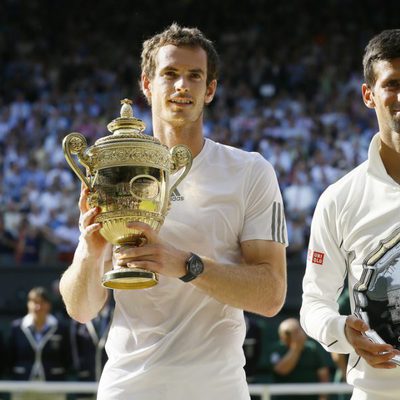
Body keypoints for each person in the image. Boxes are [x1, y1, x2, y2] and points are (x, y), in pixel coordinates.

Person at [59, 23, 287, 400]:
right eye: (169, 74)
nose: (182, 85)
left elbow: (272, 295)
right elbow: (81, 309)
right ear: (147, 85)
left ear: (209, 89)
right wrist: (91, 248)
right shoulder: (113, 174)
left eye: (194, 76)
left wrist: (184, 264)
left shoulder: (250, 171)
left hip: (217, 390)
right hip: (128, 387)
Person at [300, 29, 400, 399]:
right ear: (369, 95)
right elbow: (313, 302)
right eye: (393, 83)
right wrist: (343, 331)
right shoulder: (340, 199)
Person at [8, 286, 71, 400]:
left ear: (49, 305)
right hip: (22, 386)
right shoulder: (16, 328)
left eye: (42, 302)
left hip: (54, 386)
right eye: (34, 302)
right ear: (28, 304)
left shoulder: (61, 328)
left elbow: (66, 357)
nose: (38, 307)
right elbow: (10, 357)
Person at [268, 318, 330, 400]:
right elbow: (281, 370)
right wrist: (296, 348)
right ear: (282, 336)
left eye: (298, 330)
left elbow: (323, 373)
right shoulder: (277, 349)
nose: (298, 334)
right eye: (291, 333)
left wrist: (323, 397)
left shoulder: (311, 348)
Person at [70, 297, 113, 400]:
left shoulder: (117, 316)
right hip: (85, 380)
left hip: (110, 380)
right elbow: (73, 350)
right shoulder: (79, 319)